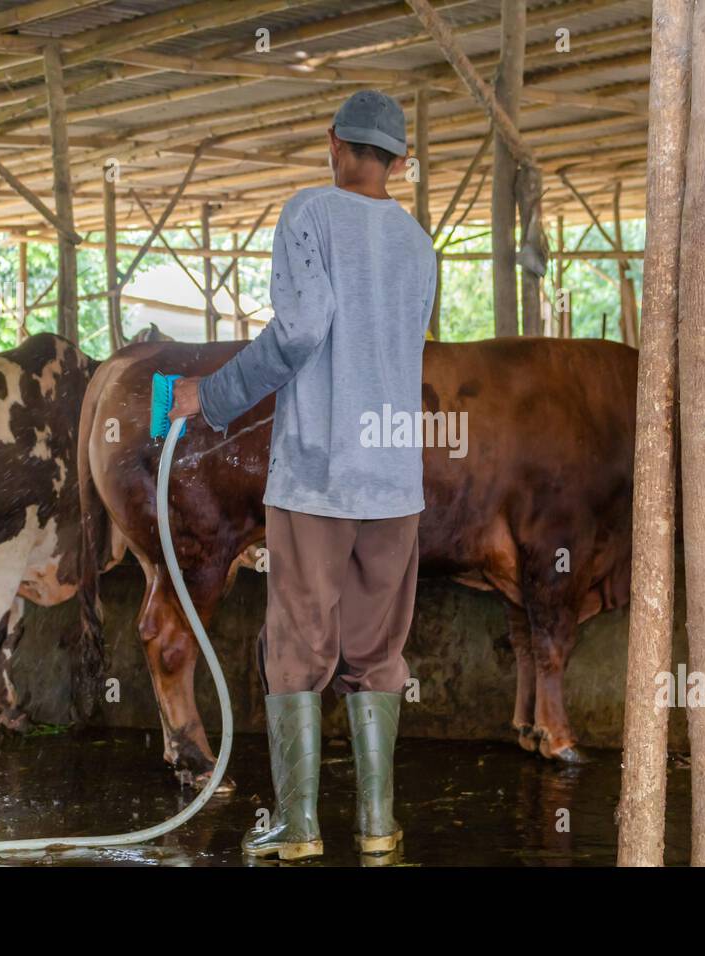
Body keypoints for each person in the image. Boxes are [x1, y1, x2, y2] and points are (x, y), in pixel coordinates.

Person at [168, 90, 436, 861]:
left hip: (320, 472)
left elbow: (304, 328)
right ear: (398, 160)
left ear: (334, 143)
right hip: (394, 483)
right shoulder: (420, 245)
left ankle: (300, 826)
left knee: (297, 644)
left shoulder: (308, 214)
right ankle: (379, 824)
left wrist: (211, 394)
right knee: (378, 651)